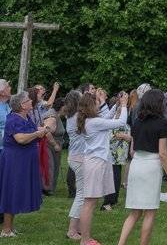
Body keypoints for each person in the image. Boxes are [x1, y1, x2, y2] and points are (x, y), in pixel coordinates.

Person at [117, 88, 167, 245]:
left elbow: (134, 148)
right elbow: (163, 153)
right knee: (150, 211)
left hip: (137, 165)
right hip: (151, 166)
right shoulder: (163, 123)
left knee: (134, 212)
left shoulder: (137, 121)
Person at [78, 90, 129, 244]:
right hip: (96, 163)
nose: (99, 104)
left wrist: (117, 104)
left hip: (95, 161)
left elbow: (107, 117)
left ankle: (86, 238)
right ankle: (85, 240)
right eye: (97, 102)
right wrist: (125, 105)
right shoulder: (94, 122)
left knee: (90, 202)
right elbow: (120, 123)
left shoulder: (91, 120)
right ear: (91, 106)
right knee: (89, 203)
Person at [0, 92, 48, 237]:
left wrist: (43, 130)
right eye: (28, 100)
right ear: (22, 105)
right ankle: (6, 230)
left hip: (23, 160)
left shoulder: (26, 117)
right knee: (11, 192)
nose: (31, 102)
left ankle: (10, 227)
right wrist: (37, 134)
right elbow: (20, 138)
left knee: (16, 192)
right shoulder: (13, 119)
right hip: (14, 161)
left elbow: (32, 131)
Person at [102, 94, 132, 211]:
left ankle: (113, 199)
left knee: (117, 177)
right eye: (118, 109)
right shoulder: (112, 121)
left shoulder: (125, 121)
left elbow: (130, 137)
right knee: (112, 178)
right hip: (111, 154)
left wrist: (126, 136)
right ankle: (107, 202)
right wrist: (118, 135)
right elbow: (109, 136)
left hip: (120, 155)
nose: (120, 111)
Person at [62, 90, 85, 239]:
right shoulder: (78, 117)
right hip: (79, 158)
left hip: (74, 156)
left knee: (84, 194)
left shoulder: (70, 116)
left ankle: (80, 227)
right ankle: (71, 230)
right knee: (82, 195)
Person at [0, 80, 11, 155]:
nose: (10, 88)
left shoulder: (7, 105)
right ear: (2, 93)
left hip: (8, 147)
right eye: (8, 86)